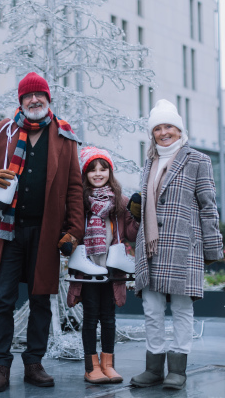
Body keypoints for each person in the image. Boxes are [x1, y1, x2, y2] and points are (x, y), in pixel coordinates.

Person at [0, 72, 84, 393]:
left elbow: (75, 187)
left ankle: (34, 362)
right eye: (28, 96)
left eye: (40, 96)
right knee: (2, 299)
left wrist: (75, 230)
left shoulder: (64, 136)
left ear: (49, 100)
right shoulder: (3, 131)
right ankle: (0, 367)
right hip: (6, 232)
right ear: (20, 101)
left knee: (40, 299)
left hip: (46, 234)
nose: (35, 100)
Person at [129, 99, 223, 390]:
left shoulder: (197, 160)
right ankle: (154, 367)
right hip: (151, 246)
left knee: (182, 309)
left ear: (179, 129)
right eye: (158, 127)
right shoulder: (149, 162)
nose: (163, 132)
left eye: (169, 126)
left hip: (183, 245)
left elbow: (208, 206)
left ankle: (178, 369)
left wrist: (212, 247)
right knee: (152, 309)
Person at [66, 147, 139, 384]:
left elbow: (130, 232)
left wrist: (137, 217)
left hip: (112, 269)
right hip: (87, 269)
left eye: (103, 168)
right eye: (92, 170)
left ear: (110, 171)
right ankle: (91, 367)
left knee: (108, 318)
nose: (98, 173)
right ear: (85, 174)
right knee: (90, 317)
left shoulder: (120, 201)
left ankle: (108, 365)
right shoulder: (78, 202)